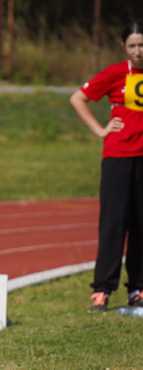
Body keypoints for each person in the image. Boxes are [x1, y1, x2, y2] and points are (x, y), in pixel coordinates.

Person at [69, 21, 143, 312]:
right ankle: (102, 291)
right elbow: (78, 98)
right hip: (118, 155)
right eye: (133, 45)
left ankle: (137, 288)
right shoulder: (115, 73)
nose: (139, 51)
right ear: (124, 47)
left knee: (141, 224)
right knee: (113, 223)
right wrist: (101, 130)